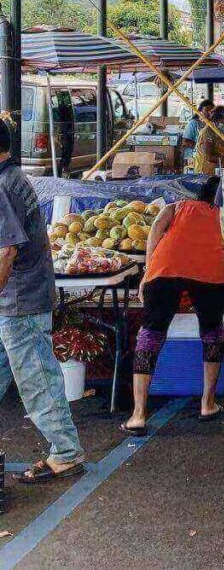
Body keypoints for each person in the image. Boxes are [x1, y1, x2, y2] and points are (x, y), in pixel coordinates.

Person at [0, 120, 85, 484]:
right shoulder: (15, 178)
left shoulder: (3, 186)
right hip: (18, 299)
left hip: (19, 301)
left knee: (37, 379)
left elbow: (6, 250)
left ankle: (66, 452)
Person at [121, 177, 224, 436]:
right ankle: (208, 403)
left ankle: (138, 415)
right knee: (212, 332)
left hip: (165, 269)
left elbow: (155, 232)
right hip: (212, 274)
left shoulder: (176, 206)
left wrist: (148, 273)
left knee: (150, 335)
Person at [192, 105, 224, 176]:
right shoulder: (208, 131)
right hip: (205, 172)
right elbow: (208, 157)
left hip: (216, 170)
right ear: (218, 120)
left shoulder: (219, 131)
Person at [182, 99, 214, 166]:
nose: (209, 113)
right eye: (206, 110)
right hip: (194, 157)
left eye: (211, 111)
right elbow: (185, 142)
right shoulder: (193, 123)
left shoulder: (212, 125)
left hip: (207, 157)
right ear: (200, 111)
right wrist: (200, 148)